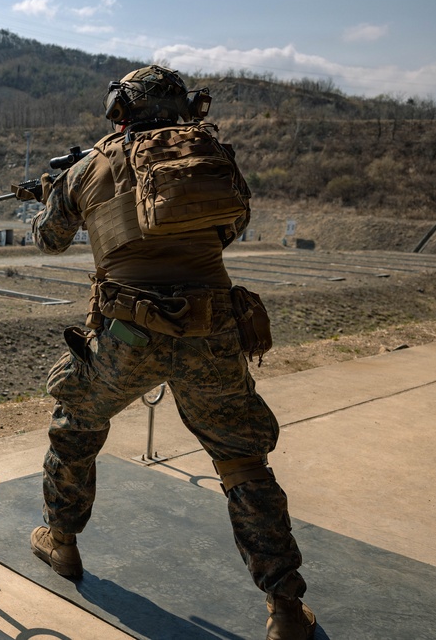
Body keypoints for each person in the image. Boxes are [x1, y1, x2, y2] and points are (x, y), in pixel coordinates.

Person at [16, 65, 316, 640]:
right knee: (242, 463)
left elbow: (48, 238)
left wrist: (57, 194)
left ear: (118, 110)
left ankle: (62, 542)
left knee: (76, 424)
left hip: (128, 333)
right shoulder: (212, 158)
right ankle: (284, 606)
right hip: (212, 329)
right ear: (182, 107)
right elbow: (231, 225)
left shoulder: (90, 165)